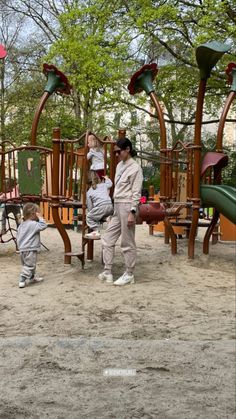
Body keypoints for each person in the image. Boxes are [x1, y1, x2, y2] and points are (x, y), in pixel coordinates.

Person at [99, 137, 143, 286]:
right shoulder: (119, 166)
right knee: (107, 238)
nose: (116, 154)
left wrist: (132, 211)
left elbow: (136, 192)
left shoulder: (135, 168)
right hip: (117, 205)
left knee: (127, 241)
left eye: (118, 151)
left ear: (127, 150)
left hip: (127, 205)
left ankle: (129, 273)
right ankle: (107, 271)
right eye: (115, 152)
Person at [17, 203, 47, 289]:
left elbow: (18, 236)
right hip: (30, 248)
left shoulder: (22, 224)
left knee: (27, 264)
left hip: (22, 249)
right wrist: (41, 217)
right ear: (33, 214)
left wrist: (20, 247)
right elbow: (43, 226)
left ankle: (31, 278)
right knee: (30, 265)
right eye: (37, 213)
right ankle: (22, 279)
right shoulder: (33, 224)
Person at [85, 171, 113, 240]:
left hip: (101, 207)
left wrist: (91, 212)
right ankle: (107, 218)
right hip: (110, 206)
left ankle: (96, 231)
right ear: (98, 178)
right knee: (101, 214)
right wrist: (107, 178)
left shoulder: (89, 192)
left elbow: (90, 207)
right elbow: (110, 184)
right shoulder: (104, 185)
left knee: (89, 217)